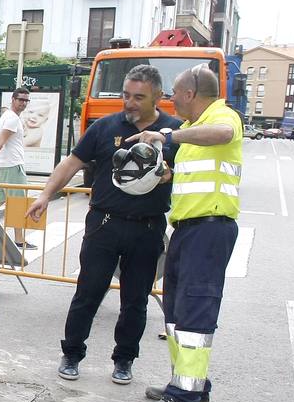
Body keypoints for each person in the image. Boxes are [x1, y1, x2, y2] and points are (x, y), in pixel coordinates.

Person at [25, 64, 179, 385]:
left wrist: (170, 173)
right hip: (104, 225)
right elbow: (72, 162)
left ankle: (124, 360)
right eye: (126, 95)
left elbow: (192, 173)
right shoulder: (105, 128)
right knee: (88, 293)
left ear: (158, 97)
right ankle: (71, 353)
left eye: (139, 97)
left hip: (147, 229)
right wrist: (45, 195)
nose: (130, 103)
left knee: (135, 301)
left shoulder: (173, 133)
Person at [128, 65, 242, 402]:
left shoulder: (222, 116)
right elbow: (190, 174)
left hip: (210, 229)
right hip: (188, 230)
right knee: (176, 313)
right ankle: (188, 383)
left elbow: (223, 134)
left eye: (174, 93)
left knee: (195, 311)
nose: (170, 99)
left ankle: (184, 398)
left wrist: (168, 136)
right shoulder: (192, 129)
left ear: (191, 93)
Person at [0, 87, 34, 251]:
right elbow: (0, 142)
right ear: (13, 99)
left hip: (5, 165)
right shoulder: (12, 119)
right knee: (18, 202)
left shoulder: (9, 116)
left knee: (0, 198)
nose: (23, 103)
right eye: (21, 100)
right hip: (12, 165)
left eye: (26, 100)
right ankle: (19, 239)